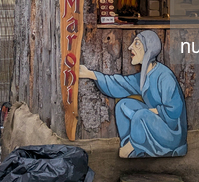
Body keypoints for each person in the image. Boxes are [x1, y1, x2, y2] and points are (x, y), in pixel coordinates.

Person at [79, 30, 187, 158]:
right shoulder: (144, 76)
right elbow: (121, 84)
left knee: (141, 115)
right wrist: (90, 74)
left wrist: (150, 112)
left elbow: (174, 110)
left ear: (148, 49)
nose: (130, 47)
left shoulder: (164, 76)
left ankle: (132, 147)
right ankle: (133, 148)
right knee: (123, 105)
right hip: (156, 122)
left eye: (136, 44)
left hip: (171, 133)